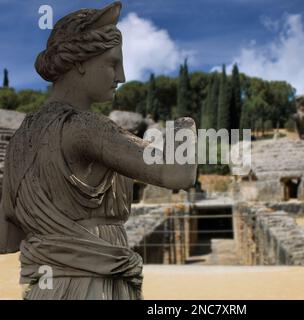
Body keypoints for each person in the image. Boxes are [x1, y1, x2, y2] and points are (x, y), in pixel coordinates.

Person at [0, 1, 197, 300]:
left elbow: (8, 237)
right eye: (112, 63)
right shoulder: (86, 127)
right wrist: (185, 128)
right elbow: (177, 174)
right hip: (95, 287)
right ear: (80, 62)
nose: (122, 76)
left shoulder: (18, 142)